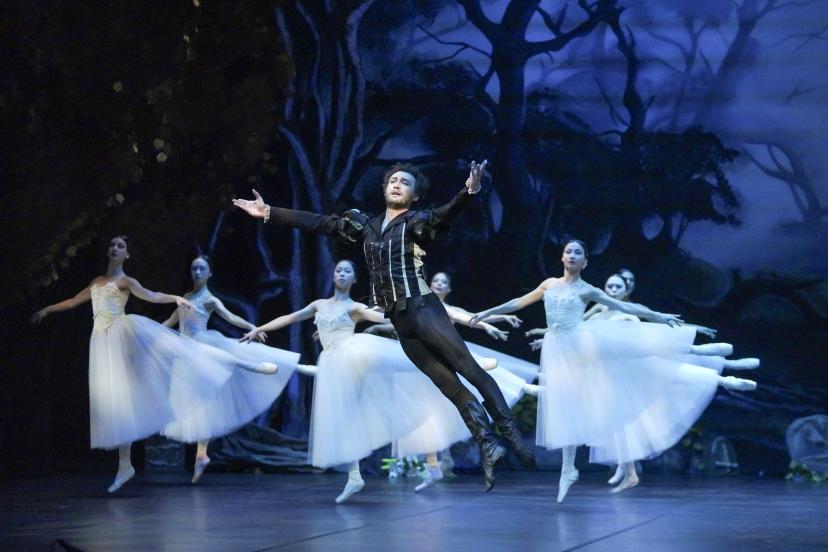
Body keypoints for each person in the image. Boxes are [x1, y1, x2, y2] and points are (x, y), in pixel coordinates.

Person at [233, 161, 533, 491]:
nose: (397, 184)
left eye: (405, 182)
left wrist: (469, 191)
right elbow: (320, 223)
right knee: (449, 385)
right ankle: (488, 444)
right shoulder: (366, 226)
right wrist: (269, 212)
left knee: (469, 370)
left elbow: (443, 215)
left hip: (423, 308)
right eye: (393, 180)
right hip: (400, 320)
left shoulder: (415, 221)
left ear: (414, 196)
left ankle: (512, 436)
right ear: (385, 188)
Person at [471, 240, 757, 502]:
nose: (572, 255)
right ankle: (569, 469)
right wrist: (489, 313)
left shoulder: (587, 290)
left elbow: (624, 306)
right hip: (560, 349)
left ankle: (705, 352)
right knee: (566, 404)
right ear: (562, 257)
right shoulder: (549, 285)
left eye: (578, 253)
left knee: (644, 350)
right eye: (569, 251)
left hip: (586, 343)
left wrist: (657, 315)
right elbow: (520, 302)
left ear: (585, 262)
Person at [30, 236, 269, 493]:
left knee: (184, 352)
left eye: (120, 246)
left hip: (121, 333)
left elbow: (152, 296)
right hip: (101, 340)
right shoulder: (96, 282)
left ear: (127, 255)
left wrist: (174, 298)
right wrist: (47, 309)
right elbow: (72, 301)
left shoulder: (126, 281)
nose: (114, 248)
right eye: (112, 245)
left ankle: (246, 364)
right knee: (115, 401)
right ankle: (125, 465)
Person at [241, 260, 468, 503]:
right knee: (346, 417)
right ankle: (355, 475)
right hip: (331, 362)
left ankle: (449, 363)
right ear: (332, 276)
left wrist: (412, 317)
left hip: (351, 355)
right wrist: (259, 329)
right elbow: (290, 317)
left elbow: (385, 319)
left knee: (394, 367)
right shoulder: (319, 305)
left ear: (354, 279)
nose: (341, 273)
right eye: (338, 270)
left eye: (347, 271)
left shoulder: (355, 308)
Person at [162, 254, 312, 483]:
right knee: (193, 402)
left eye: (202, 269)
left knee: (205, 396)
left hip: (202, 347)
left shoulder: (210, 299)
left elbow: (230, 316)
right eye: (194, 268)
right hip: (184, 353)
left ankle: (259, 366)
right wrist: (149, 333)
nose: (197, 272)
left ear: (210, 273)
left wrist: (253, 326)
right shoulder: (186, 298)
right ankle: (201, 454)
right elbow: (172, 320)